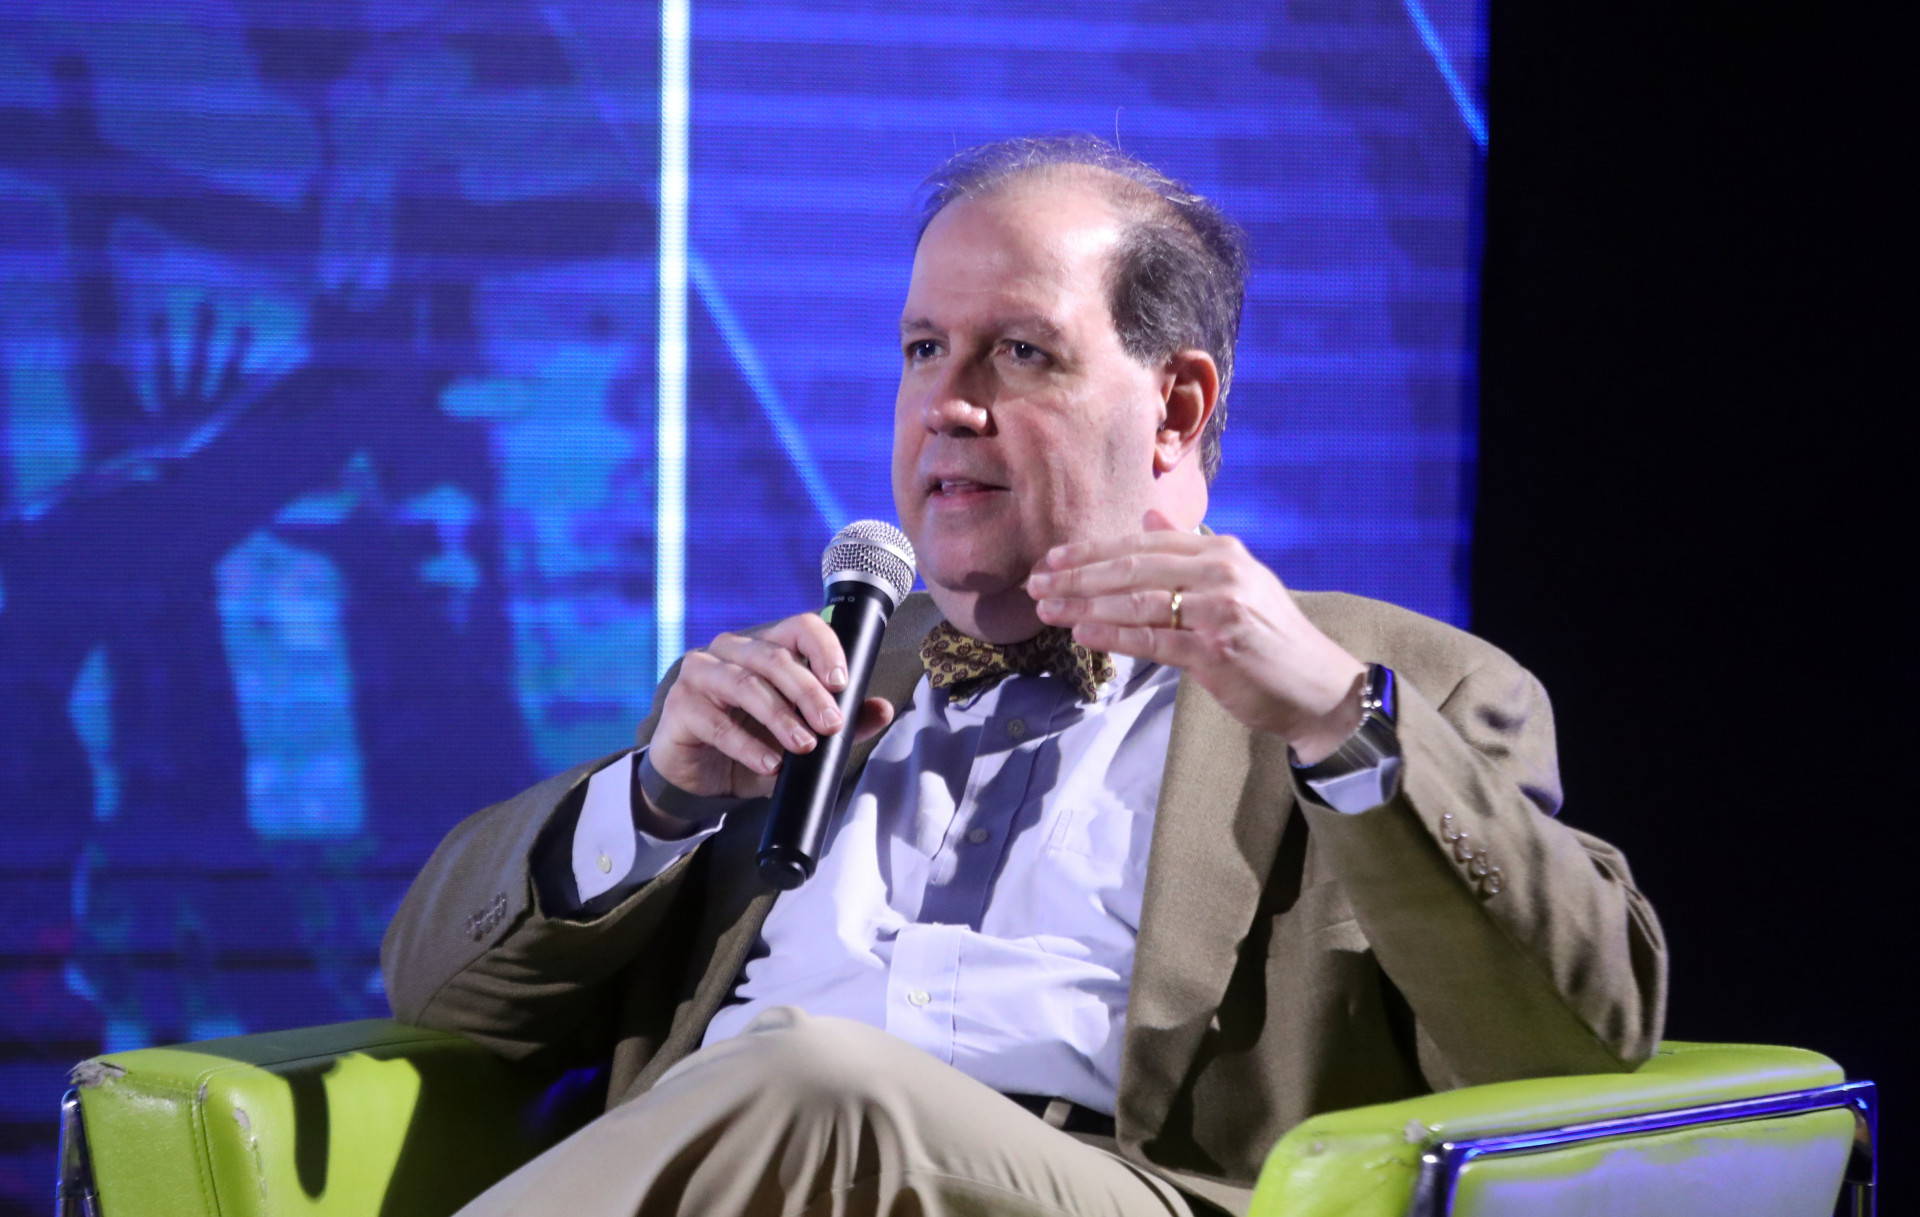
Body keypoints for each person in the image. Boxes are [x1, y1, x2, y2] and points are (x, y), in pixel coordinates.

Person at [382, 136, 1667, 1217]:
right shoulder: (796, 686)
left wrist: (1338, 720)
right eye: (922, 349)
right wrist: (656, 796)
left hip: (1112, 1182)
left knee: (819, 1084)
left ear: (1177, 406)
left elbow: (1577, 1035)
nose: (946, 402)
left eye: (1018, 352)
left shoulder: (1391, 687)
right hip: (748, 1165)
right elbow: (437, 991)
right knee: (796, 1081)